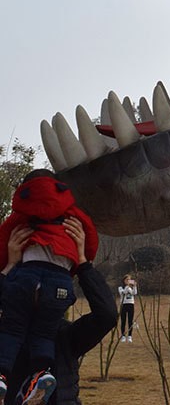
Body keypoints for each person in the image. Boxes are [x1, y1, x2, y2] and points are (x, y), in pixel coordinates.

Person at [0, 169, 99, 404]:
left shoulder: (22, 215)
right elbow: (91, 238)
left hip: (26, 278)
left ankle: (2, 375)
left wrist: (8, 266)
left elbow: (3, 237)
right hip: (59, 283)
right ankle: (42, 374)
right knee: (45, 333)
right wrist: (80, 262)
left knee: (12, 330)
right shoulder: (73, 215)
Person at [0, 218, 117, 405]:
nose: (41, 286)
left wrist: (82, 264)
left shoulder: (66, 335)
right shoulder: (6, 331)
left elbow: (107, 315)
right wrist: (9, 267)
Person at [117, 275, 137, 342]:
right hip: (123, 305)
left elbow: (134, 293)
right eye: (127, 279)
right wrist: (128, 286)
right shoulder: (120, 287)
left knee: (130, 321)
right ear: (124, 280)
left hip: (131, 304)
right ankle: (123, 336)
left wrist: (134, 286)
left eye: (129, 279)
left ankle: (130, 336)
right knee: (123, 321)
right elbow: (124, 293)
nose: (128, 281)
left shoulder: (130, 288)